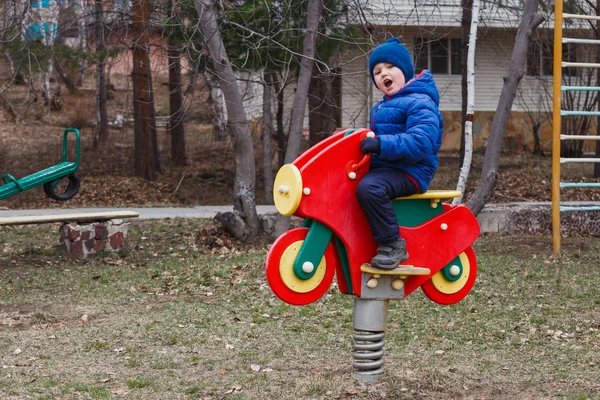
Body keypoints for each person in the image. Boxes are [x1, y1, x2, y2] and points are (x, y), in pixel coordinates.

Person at [356, 37, 444, 270]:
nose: (383, 73)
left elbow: (421, 142)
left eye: (390, 67)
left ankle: (393, 244)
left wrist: (381, 144)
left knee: (370, 187)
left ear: (405, 70)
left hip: (412, 170)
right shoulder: (381, 107)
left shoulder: (420, 102)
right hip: (388, 167)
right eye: (377, 71)